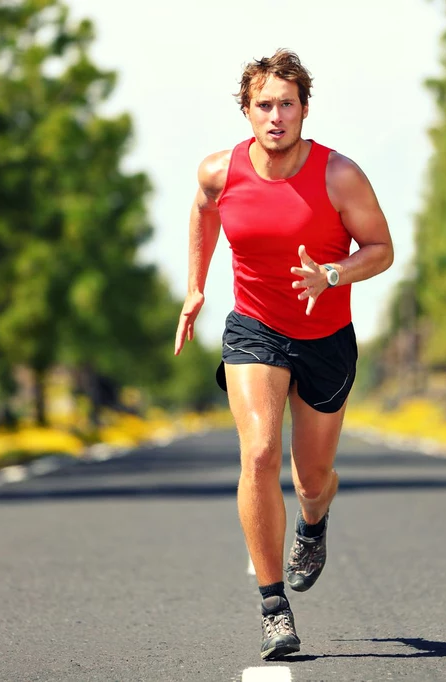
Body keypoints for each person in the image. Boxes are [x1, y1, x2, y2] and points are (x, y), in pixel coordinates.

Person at [173, 48, 394, 660]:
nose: (276, 116)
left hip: (326, 337)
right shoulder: (221, 171)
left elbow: (381, 249)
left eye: (287, 105)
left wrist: (334, 272)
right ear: (246, 111)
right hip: (256, 329)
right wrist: (196, 285)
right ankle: (274, 608)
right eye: (264, 105)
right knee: (260, 450)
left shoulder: (338, 175)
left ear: (304, 110)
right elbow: (202, 210)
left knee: (312, 478)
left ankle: (315, 522)